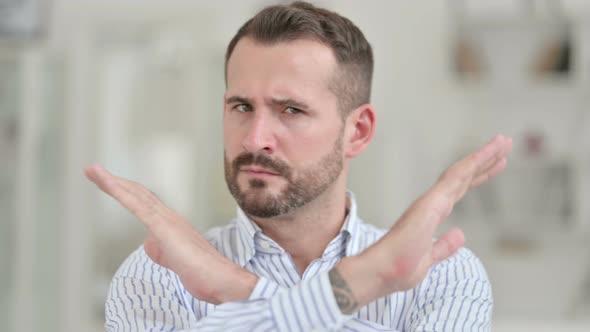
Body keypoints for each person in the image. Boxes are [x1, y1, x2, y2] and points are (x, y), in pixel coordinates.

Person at [86, 2, 512, 331]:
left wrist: (237, 293)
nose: (254, 139)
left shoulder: (443, 274)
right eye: (241, 106)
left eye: (290, 110)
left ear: (358, 132)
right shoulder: (157, 272)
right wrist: (359, 284)